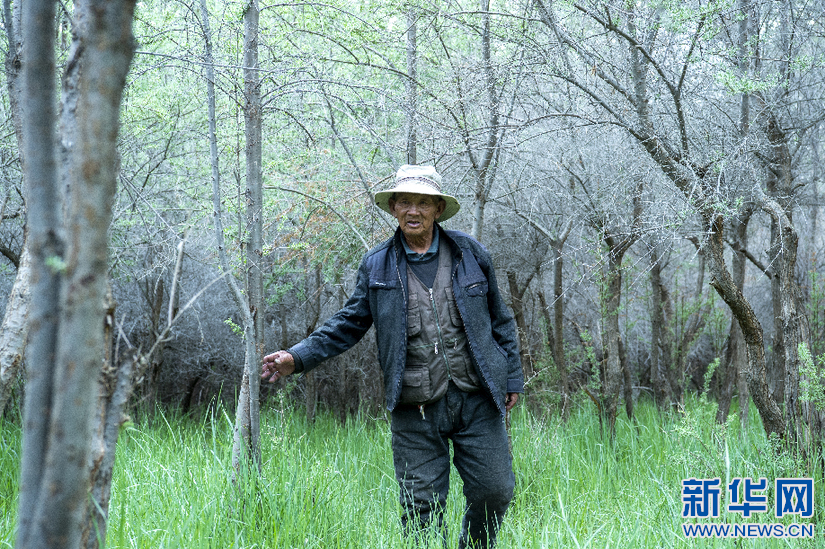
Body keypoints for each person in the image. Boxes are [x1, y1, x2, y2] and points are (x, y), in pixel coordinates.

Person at [261, 164, 523, 548]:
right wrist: (296, 357)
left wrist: (512, 376)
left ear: (437, 208)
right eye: (404, 202)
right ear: (393, 207)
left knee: (495, 491)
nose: (413, 211)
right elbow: (348, 323)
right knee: (421, 507)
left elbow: (501, 319)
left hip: (477, 397)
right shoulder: (377, 264)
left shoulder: (470, 253)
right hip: (414, 405)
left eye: (422, 203)